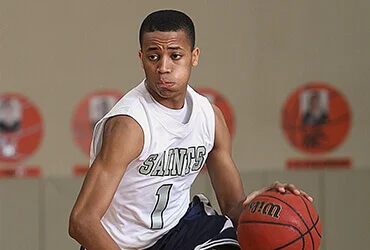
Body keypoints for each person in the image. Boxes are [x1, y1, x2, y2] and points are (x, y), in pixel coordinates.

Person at [69, 9, 313, 250]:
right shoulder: (130, 125)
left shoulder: (209, 117)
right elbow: (82, 221)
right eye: (153, 57)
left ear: (194, 56)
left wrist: (267, 207)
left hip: (179, 231)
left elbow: (232, 207)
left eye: (175, 56)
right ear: (141, 58)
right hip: (120, 244)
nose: (164, 67)